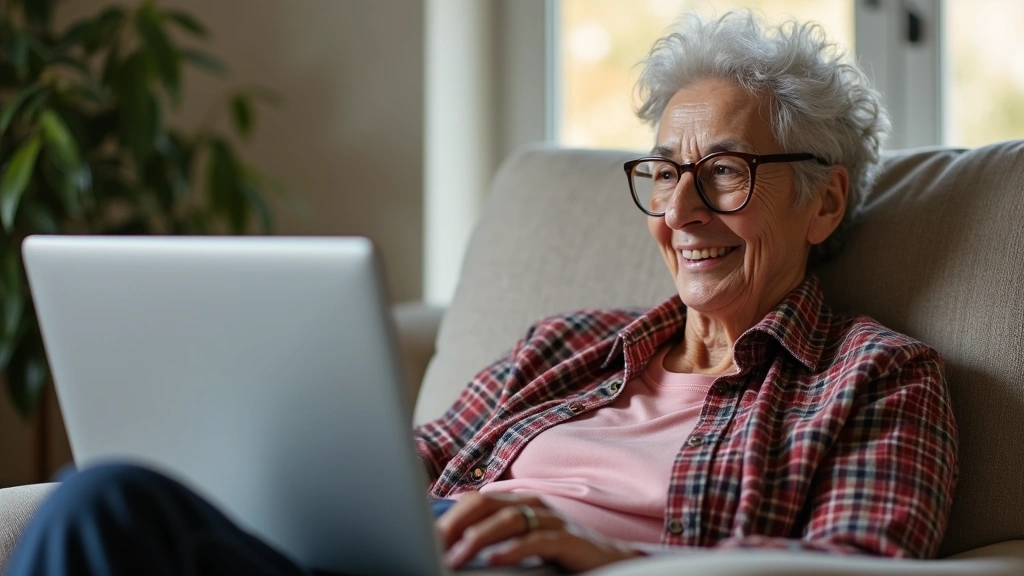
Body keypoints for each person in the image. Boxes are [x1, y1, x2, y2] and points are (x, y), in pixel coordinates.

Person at [7, 10, 957, 576]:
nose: (684, 210)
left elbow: (858, 570)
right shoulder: (567, 345)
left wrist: (612, 559)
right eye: (664, 174)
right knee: (105, 504)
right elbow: (401, 469)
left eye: (727, 173)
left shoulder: (877, 380)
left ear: (824, 200)